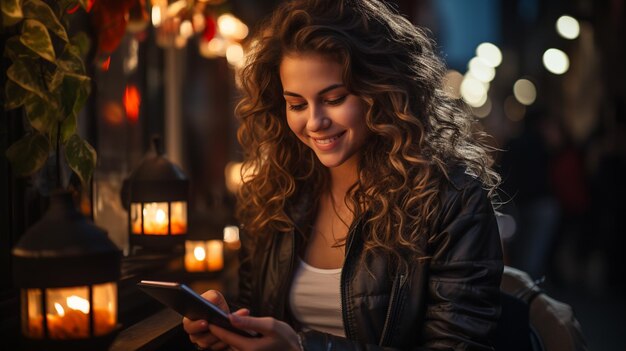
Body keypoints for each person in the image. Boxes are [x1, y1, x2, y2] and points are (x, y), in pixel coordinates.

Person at [184, 0, 503, 350]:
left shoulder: (453, 202)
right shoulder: (277, 192)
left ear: (382, 92)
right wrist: (229, 323)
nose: (315, 122)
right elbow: (259, 309)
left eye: (334, 98)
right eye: (297, 104)